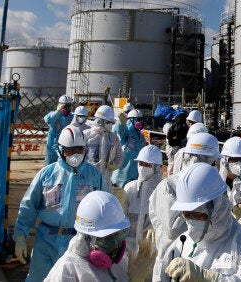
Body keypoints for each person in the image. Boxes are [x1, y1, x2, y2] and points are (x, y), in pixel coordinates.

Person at [14, 125, 108, 282]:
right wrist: (20, 237)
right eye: (69, 151)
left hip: (79, 243)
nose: (75, 155)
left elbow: (103, 211)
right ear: (60, 150)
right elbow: (28, 206)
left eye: (79, 150)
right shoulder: (47, 174)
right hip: (46, 241)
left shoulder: (94, 176)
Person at [161, 163, 241, 281]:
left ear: (219, 208)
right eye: (187, 215)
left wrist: (208, 278)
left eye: (199, 215)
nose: (192, 221)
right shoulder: (181, 243)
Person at [148, 132, 221, 281]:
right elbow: (174, 230)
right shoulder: (169, 186)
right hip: (172, 260)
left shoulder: (213, 187)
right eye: (213, 163)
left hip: (201, 262)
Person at [44, 191, 156, 282]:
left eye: (118, 234)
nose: (115, 244)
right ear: (86, 237)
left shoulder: (122, 261)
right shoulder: (68, 271)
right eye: (107, 238)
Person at [124, 145, 163, 253]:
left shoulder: (162, 190)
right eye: (141, 163)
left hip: (150, 246)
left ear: (156, 167)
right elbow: (123, 216)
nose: (142, 167)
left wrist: (155, 227)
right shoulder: (130, 187)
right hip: (129, 245)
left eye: (147, 165)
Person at [84, 105, 124, 193]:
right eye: (109, 122)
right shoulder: (86, 135)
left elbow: (120, 156)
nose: (111, 124)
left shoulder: (113, 138)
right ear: (100, 121)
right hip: (87, 180)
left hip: (105, 181)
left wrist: (115, 165)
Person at [112, 108, 147, 188]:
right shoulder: (126, 133)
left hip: (135, 172)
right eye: (138, 119)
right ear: (131, 120)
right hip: (122, 174)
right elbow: (120, 130)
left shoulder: (141, 136)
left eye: (141, 119)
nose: (140, 122)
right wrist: (121, 123)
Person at [44, 94, 74, 165]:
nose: (67, 109)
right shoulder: (54, 115)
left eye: (69, 106)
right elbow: (47, 120)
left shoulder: (72, 116)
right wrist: (57, 112)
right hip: (53, 146)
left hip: (66, 146)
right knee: (50, 166)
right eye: (65, 106)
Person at [165, 111, 189, 175]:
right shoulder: (183, 127)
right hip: (175, 147)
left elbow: (168, 136)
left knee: (172, 164)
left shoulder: (171, 126)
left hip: (171, 147)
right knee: (175, 165)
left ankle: (171, 179)